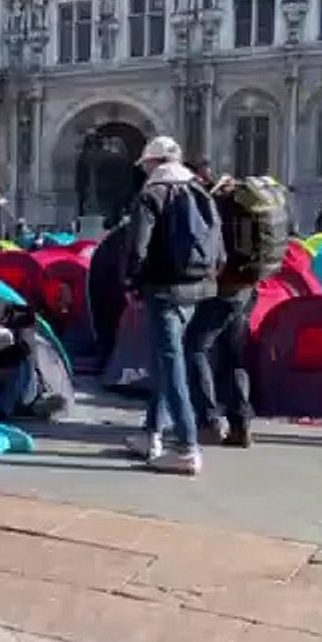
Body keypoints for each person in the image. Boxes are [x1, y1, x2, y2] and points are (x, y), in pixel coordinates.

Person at [122, 136, 223, 475]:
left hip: (163, 288)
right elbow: (218, 247)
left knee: (170, 363)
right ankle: (152, 433)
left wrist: (131, 283)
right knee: (166, 358)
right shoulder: (199, 190)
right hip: (198, 287)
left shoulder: (152, 194)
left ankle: (185, 446)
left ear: (152, 163)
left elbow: (137, 248)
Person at [183, 176, 263, 449]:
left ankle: (207, 421)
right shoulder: (249, 206)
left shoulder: (217, 207)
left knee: (194, 347)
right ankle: (241, 424)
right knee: (234, 355)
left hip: (223, 290)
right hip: (247, 289)